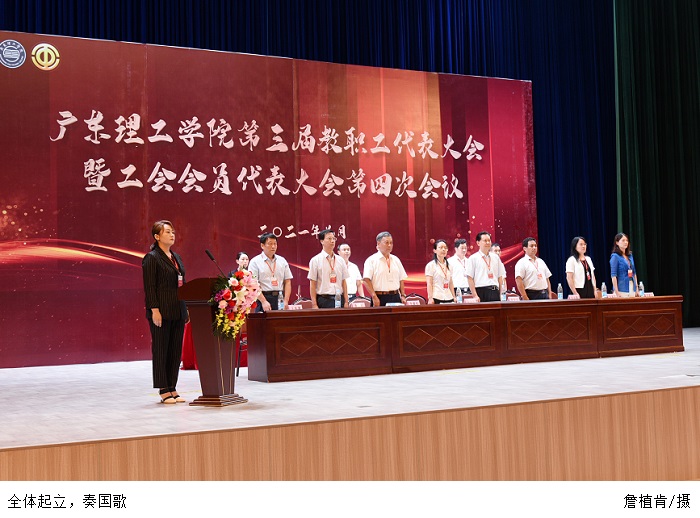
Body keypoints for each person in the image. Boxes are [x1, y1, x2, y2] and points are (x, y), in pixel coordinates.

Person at [142, 220, 189, 404]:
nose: (172, 235)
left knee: (175, 351)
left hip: (178, 309)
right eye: (167, 232)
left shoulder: (176, 257)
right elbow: (150, 287)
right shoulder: (152, 258)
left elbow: (182, 283)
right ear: (157, 236)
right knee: (162, 349)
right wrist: (155, 310)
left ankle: (172, 387)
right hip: (161, 310)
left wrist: (186, 307)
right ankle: (163, 389)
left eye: (173, 232)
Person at [248, 232, 293, 310]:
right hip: (263, 298)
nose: (273, 246)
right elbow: (253, 284)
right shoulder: (255, 262)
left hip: (279, 298)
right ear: (262, 245)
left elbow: (287, 281)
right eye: (270, 244)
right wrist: (263, 301)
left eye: (275, 244)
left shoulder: (282, 261)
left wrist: (286, 301)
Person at [363, 231, 408, 306]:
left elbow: (401, 279)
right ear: (378, 243)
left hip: (396, 296)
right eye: (386, 243)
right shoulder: (371, 260)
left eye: (391, 243)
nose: (389, 245)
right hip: (379, 297)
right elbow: (366, 280)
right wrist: (374, 297)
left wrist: (403, 295)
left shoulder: (396, 259)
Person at [308, 229, 349, 308]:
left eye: (334, 238)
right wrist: (314, 304)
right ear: (322, 241)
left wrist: (346, 301)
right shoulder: (315, 260)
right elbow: (313, 283)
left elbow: (344, 282)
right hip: (324, 299)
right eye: (329, 238)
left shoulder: (340, 260)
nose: (332, 241)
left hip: (339, 299)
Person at [466, 231, 504, 302]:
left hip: (495, 291)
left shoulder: (496, 257)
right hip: (481, 291)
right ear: (478, 243)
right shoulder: (473, 258)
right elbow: (470, 278)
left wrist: (501, 293)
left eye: (489, 240)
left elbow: (500, 277)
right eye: (485, 241)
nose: (487, 242)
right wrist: (475, 295)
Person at [425, 239, 455, 304]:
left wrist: (454, 296)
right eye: (440, 247)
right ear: (435, 250)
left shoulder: (450, 266)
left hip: (449, 297)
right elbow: (429, 283)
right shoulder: (431, 265)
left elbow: (450, 283)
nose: (443, 249)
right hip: (436, 297)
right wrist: (430, 298)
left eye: (445, 248)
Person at [610, 232, 639, 297]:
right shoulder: (615, 256)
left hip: (632, 287)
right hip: (621, 289)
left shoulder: (630, 256)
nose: (625, 242)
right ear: (617, 242)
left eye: (627, 240)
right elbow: (613, 275)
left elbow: (634, 273)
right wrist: (616, 292)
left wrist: (637, 288)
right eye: (623, 240)